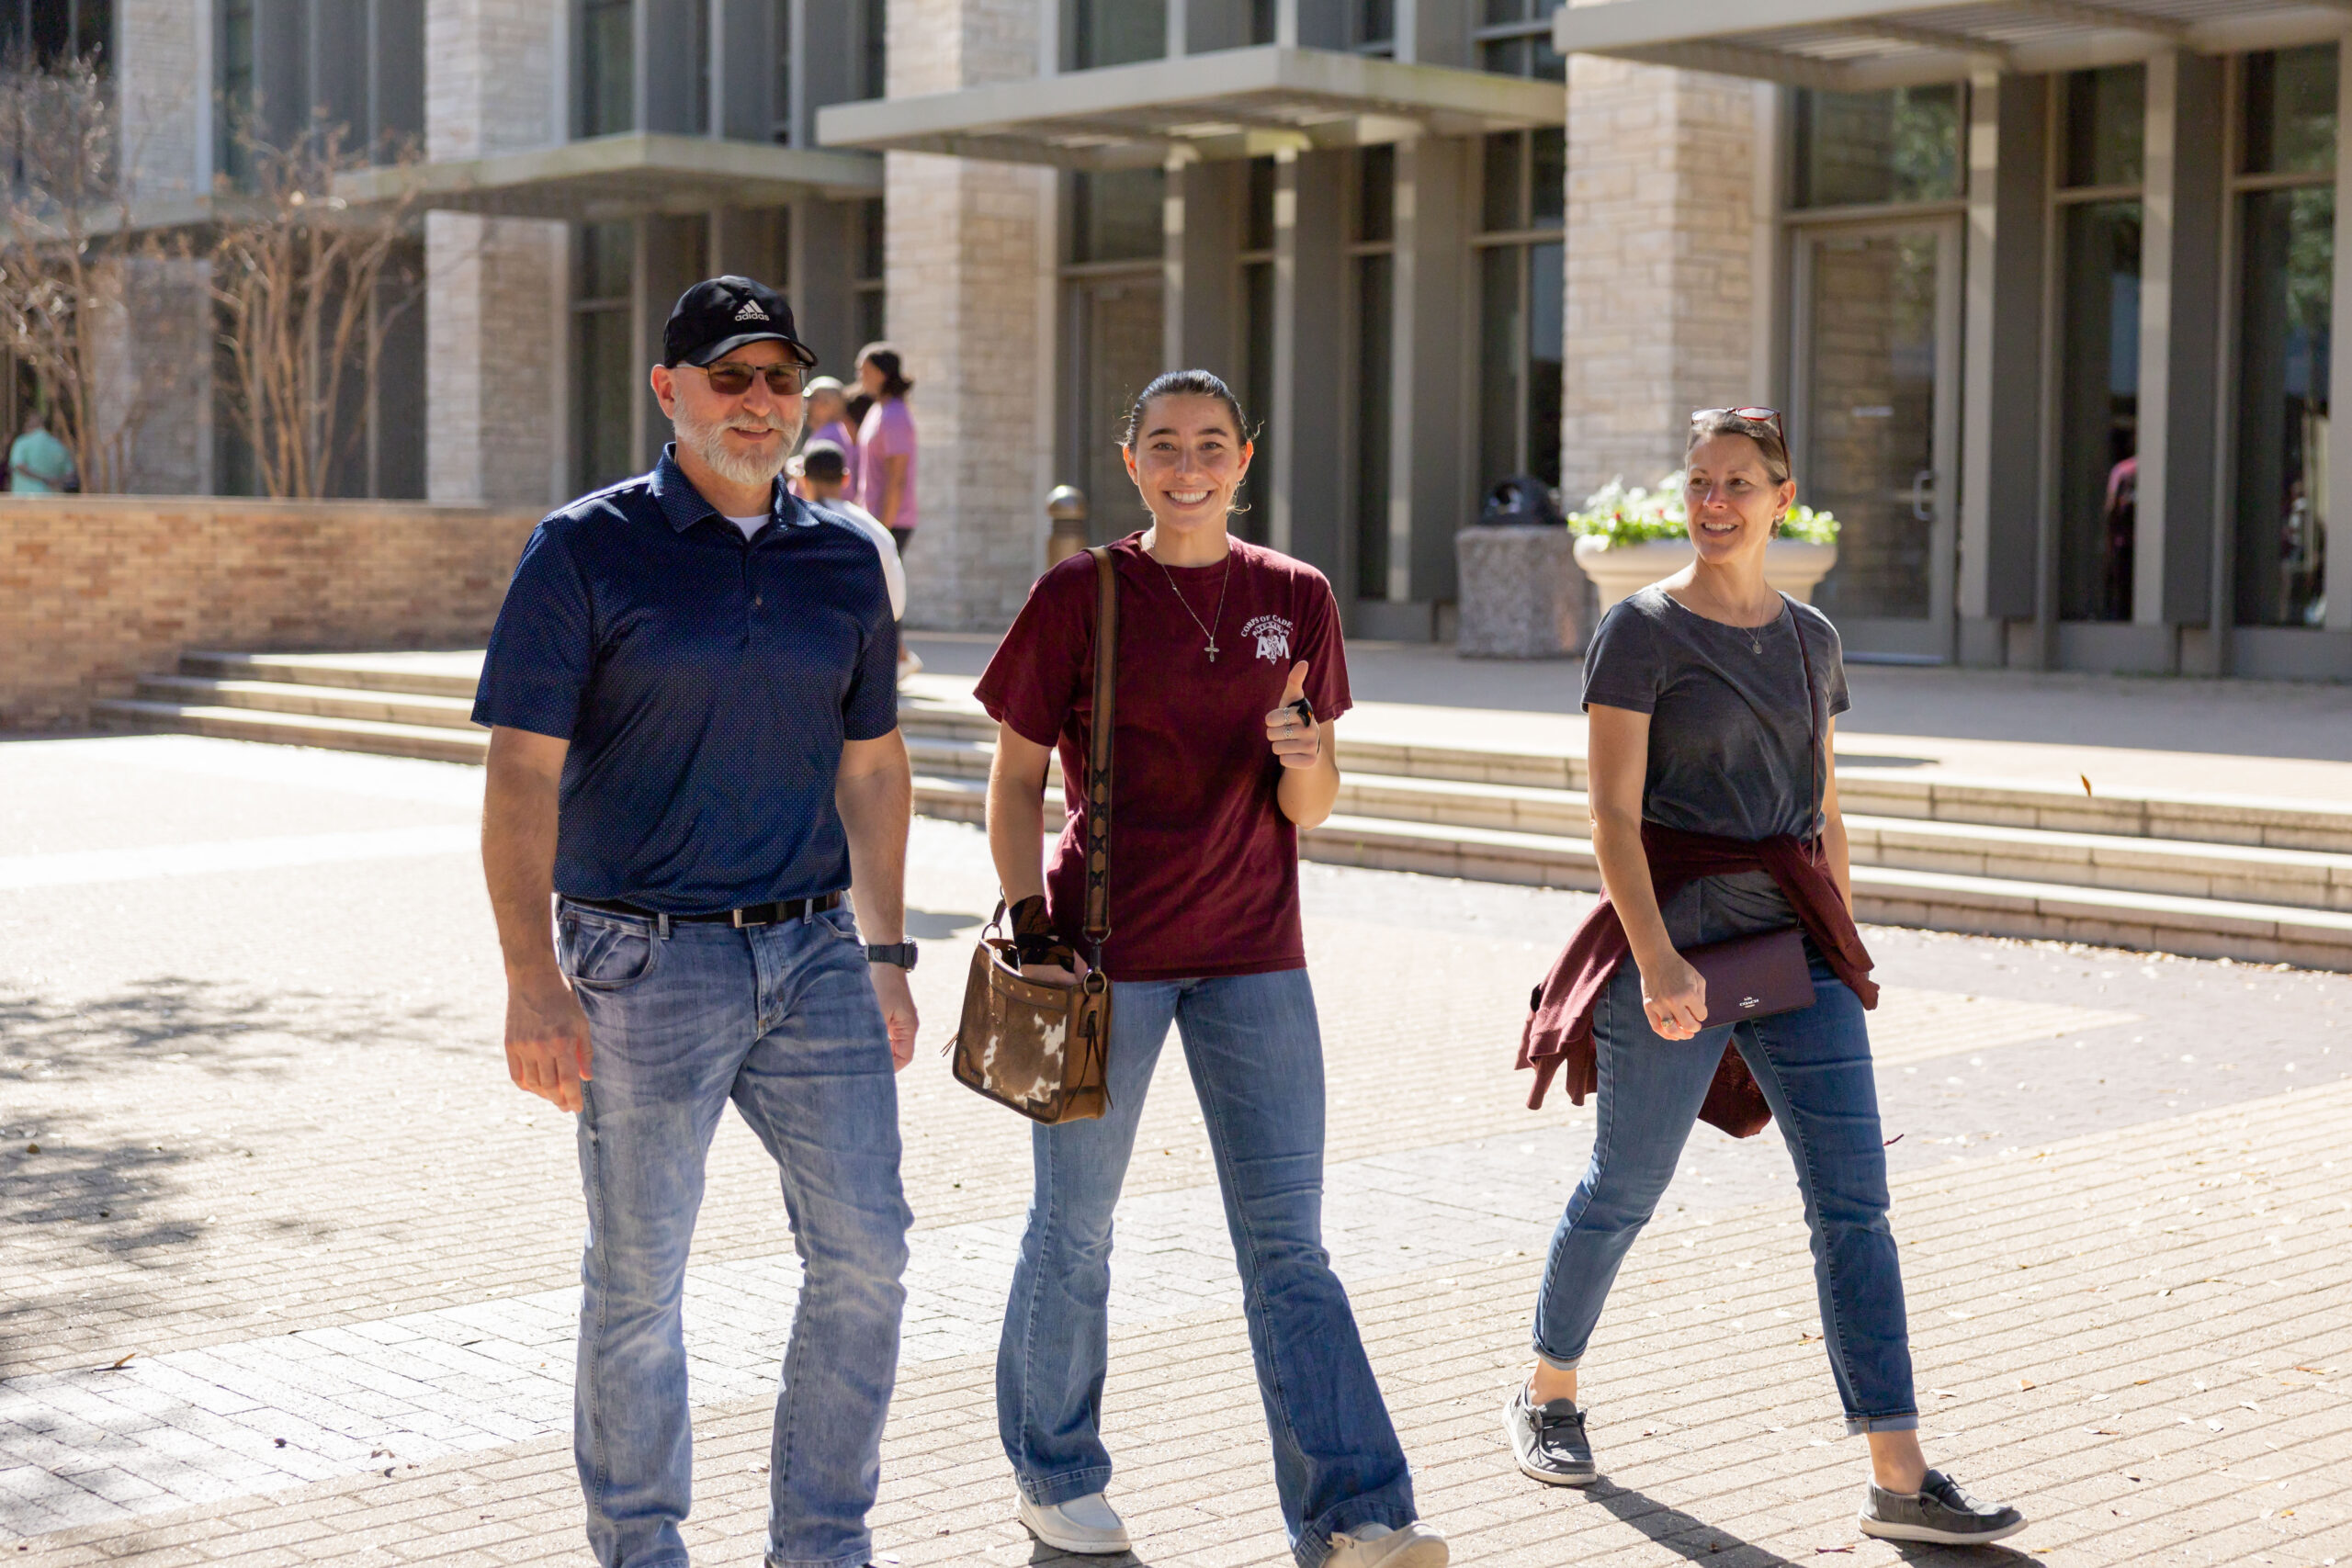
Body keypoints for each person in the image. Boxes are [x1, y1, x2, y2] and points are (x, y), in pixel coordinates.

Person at [1508, 407, 2026, 1548]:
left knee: (1855, 1206)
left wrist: (1841, 931)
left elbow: (1825, 802)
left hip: (1795, 948)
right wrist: (1652, 958)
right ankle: (1548, 1389)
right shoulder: (1638, 632)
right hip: (1676, 944)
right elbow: (1608, 812)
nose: (1713, 500)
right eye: (1699, 480)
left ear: (1779, 495)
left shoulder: (1811, 640)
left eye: (1738, 481)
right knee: (1625, 1186)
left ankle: (1899, 1471)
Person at [473, 274, 920, 1568]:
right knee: (637, 1282)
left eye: (781, 377)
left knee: (871, 1254)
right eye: (730, 376)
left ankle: (822, 1544)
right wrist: (530, 982)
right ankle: (641, 1547)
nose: (759, 400)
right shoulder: (585, 545)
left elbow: (875, 766)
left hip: (816, 950)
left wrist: (887, 950)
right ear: (669, 391)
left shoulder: (845, 554)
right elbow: (520, 772)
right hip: (639, 959)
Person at [975, 368, 1448, 1568]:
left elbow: (1316, 800)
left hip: (1254, 954)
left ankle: (1356, 1510)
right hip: (1103, 956)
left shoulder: (1297, 594)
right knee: (1075, 1226)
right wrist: (1029, 917)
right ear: (1131, 458)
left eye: (1212, 444)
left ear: (1246, 456)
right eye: (1165, 444)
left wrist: (1303, 753)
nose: (1190, 464)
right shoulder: (1080, 594)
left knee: (1289, 1242)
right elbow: (1018, 775)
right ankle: (1056, 1470)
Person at [790, 437, 906, 626]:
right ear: (846, 478)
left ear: (803, 479)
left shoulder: (792, 527)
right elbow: (896, 606)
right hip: (864, 637)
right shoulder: (875, 530)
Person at [853, 343, 916, 555]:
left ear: (881, 374)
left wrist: (883, 530)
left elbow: (897, 478)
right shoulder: (878, 408)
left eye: (865, 370)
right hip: (873, 518)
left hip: (891, 522)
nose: (860, 376)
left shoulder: (894, 415)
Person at [799, 376, 859, 499]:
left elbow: (823, 489)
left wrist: (794, 470)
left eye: (810, 398)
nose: (805, 404)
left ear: (825, 404)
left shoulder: (830, 436)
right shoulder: (827, 432)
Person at [8, 409, 74, 494]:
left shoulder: (22, 442)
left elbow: (19, 465)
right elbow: (70, 474)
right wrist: (55, 481)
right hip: (52, 498)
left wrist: (42, 478)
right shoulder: (59, 446)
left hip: (24, 497)